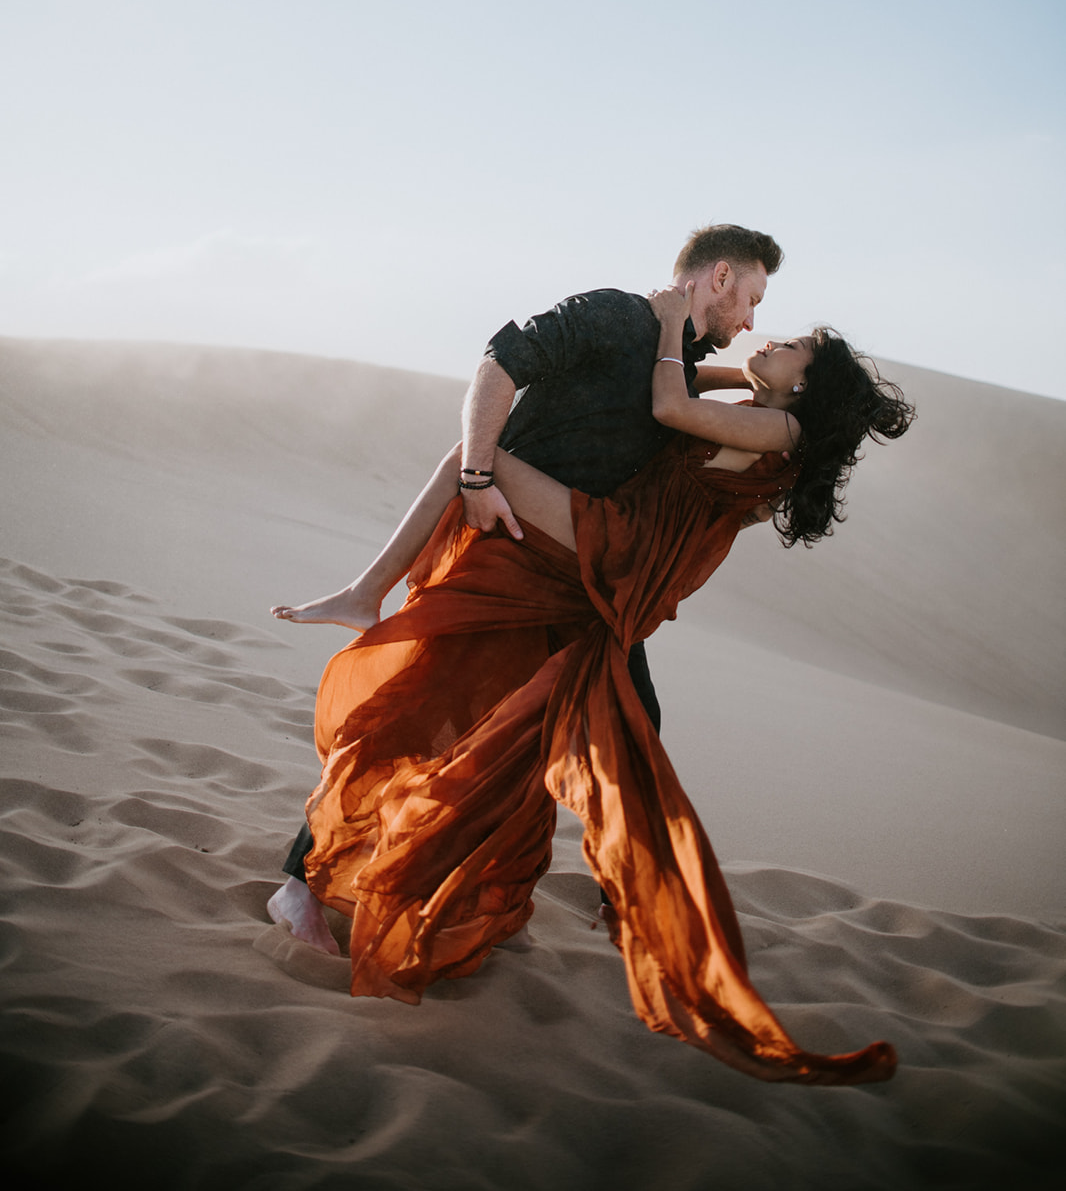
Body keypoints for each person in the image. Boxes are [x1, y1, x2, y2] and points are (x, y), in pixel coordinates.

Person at [267, 282, 915, 1087]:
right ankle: (502, 886)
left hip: (618, 547)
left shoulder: (777, 423)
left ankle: (367, 590)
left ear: (805, 383)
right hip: (622, 552)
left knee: (478, 458)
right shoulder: (766, 407)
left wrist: (675, 321)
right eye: (757, 314)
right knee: (552, 718)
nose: (766, 336)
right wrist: (682, 343)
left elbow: (672, 405)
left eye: (788, 346)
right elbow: (683, 389)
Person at [270, 223, 781, 944]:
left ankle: (612, 904)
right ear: (720, 277)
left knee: (628, 724)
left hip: (580, 587)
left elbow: (690, 401)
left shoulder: (677, 359)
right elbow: (500, 361)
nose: (753, 320)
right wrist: (478, 475)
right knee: (425, 714)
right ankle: (300, 882)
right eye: (752, 298)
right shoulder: (615, 314)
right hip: (507, 549)